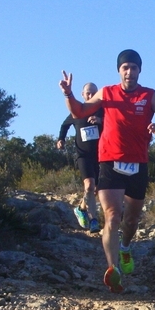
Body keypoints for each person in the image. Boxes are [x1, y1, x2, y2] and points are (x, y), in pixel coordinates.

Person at [59, 49, 155, 293]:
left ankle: (125, 247)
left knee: (131, 220)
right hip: (110, 162)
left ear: (139, 70)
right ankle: (113, 269)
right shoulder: (107, 92)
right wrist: (69, 93)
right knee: (112, 216)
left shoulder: (150, 96)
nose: (129, 72)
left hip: (138, 164)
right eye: (125, 67)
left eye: (134, 67)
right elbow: (79, 112)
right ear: (119, 70)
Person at [57, 82, 103, 233]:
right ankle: (94, 221)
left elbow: (115, 125)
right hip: (83, 155)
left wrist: (101, 121)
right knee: (89, 186)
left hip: (100, 155)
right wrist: (61, 139)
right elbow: (65, 125)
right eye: (88, 93)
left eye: (93, 93)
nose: (90, 95)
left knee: (95, 190)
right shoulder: (76, 112)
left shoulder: (103, 111)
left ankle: (81, 209)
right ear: (83, 95)